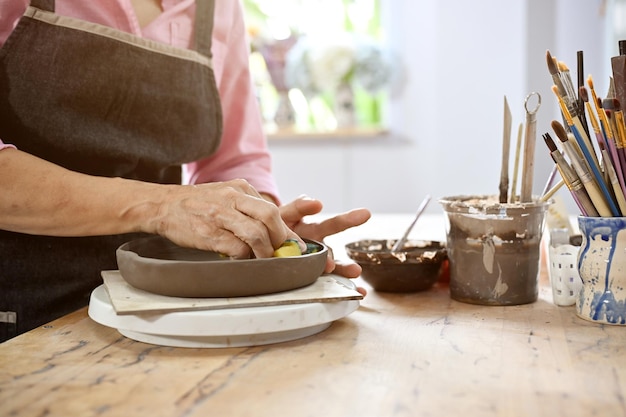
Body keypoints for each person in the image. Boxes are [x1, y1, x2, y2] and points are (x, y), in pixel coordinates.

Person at [0, 0, 371, 342]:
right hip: (20, 308)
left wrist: (261, 231)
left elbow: (233, 161)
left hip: (155, 310)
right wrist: (161, 207)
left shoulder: (219, 7)